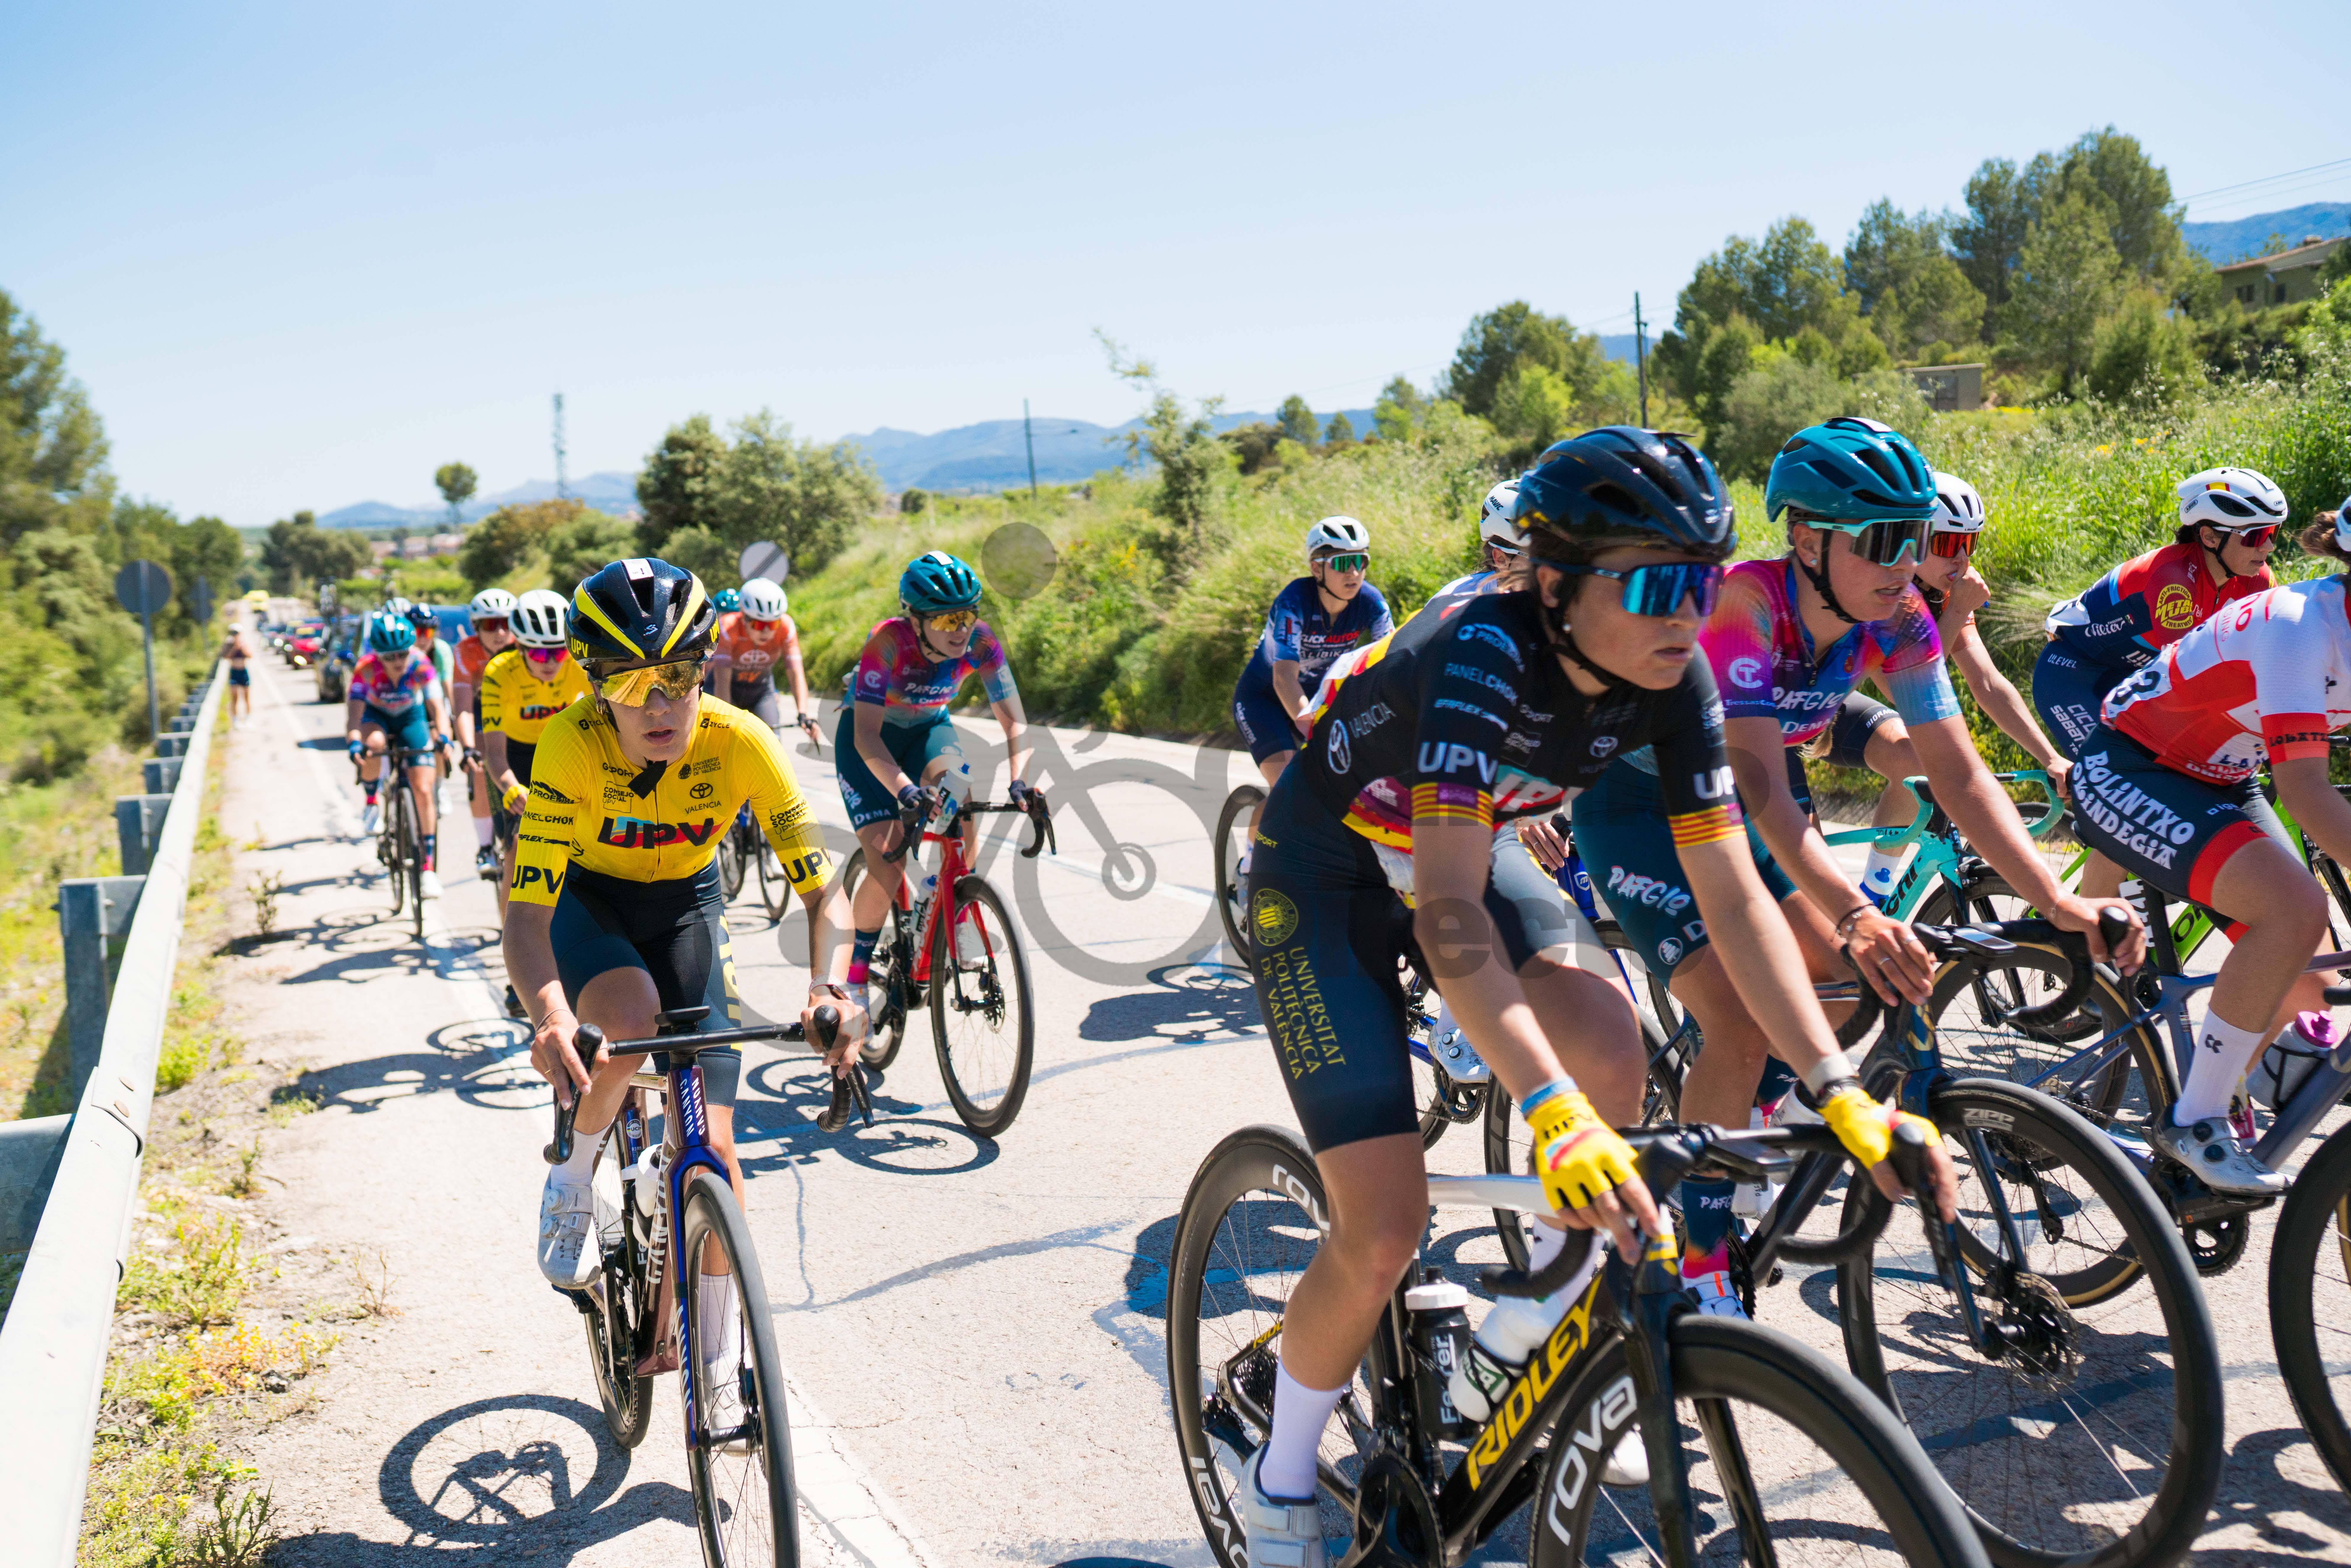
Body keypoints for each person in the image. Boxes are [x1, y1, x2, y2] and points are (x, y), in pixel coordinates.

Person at [1234, 426, 1961, 1563]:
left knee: (1612, 1050)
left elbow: (1734, 901)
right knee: (1382, 1226)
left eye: (1705, 580)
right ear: (1557, 584)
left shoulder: (1677, 681)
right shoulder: (1479, 652)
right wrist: (1547, 1113)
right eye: (1659, 583)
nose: (1689, 612)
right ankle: (1277, 1476)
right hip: (1325, 867)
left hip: (1464, 855)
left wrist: (1834, 1088)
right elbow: (1448, 914)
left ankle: (1538, 1314)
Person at [1575, 416, 2141, 1319]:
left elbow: (1956, 773)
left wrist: (2059, 899)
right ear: (1806, 537)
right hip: (1640, 809)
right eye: (1883, 539)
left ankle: (1739, 1110)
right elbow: (1762, 797)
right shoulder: (1742, 608)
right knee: (1738, 1013)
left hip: (1745, 797)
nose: (1903, 560)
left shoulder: (1902, 616)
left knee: (1847, 990)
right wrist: (1850, 910)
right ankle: (1701, 1246)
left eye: (1913, 538)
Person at [511, 559, 868, 1418]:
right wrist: (554, 1016)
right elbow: (526, 919)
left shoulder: (739, 741)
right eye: (634, 681)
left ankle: (715, 1359)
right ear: (597, 687)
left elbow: (827, 894)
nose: (661, 704)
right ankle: (573, 1176)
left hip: (686, 906)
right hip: (589, 903)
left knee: (713, 1138)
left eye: (678, 675)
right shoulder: (570, 744)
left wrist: (829, 986)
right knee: (627, 1018)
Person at [2064, 498, 2351, 1196]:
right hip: (2130, 762)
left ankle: (2223, 1099)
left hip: (2222, 773)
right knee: (2294, 910)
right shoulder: (2302, 627)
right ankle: (2194, 1120)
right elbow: (2309, 792)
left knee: (2306, 974)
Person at [2034, 467, 2284, 902]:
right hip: (2076, 678)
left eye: (2273, 533)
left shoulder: (2257, 581)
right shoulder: (2172, 586)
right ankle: (2091, 943)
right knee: (2129, 798)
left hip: (2132, 679)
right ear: (2209, 537)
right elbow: (2186, 690)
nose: (2268, 547)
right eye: (2254, 536)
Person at [1834, 470, 2078, 903]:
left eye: (1971, 544)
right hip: (1802, 702)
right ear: (1915, 539)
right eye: (1949, 545)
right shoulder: (1885, 583)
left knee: (1915, 757)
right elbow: (1904, 688)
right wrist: (1955, 614)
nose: (1962, 559)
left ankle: (1875, 890)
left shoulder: (1947, 590)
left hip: (1835, 700)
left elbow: (1987, 681)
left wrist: (2050, 757)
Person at [836, 552, 1035, 1012]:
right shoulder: (888, 642)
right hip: (871, 743)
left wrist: (1019, 782)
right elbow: (866, 736)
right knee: (887, 860)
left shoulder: (982, 644)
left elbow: (1016, 723)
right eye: (946, 618)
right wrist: (904, 790)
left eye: (967, 614)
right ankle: (856, 977)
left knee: (961, 797)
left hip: (927, 730)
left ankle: (955, 907)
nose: (960, 629)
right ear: (917, 618)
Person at [1227, 517, 1393, 898]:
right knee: (1287, 783)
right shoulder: (1293, 602)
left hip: (1320, 696)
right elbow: (1284, 678)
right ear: (1316, 568)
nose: (1353, 572)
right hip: (1265, 699)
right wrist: (1313, 727)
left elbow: (1391, 663)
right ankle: (1250, 864)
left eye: (1360, 561)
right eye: (1340, 563)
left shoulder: (1370, 602)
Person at [480, 589, 590, 937]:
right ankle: (514, 955)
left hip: (560, 752)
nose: (550, 661)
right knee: (515, 856)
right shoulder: (499, 672)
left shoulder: (577, 666)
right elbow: (494, 755)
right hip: (514, 759)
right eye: (539, 652)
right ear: (521, 648)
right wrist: (512, 790)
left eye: (558, 651)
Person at [344, 611, 452, 898]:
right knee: (375, 744)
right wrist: (355, 742)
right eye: (389, 657)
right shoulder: (365, 668)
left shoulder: (420, 663)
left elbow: (437, 707)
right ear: (377, 655)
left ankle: (428, 868)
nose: (397, 662)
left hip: (410, 717)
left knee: (423, 789)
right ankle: (371, 802)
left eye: (402, 654)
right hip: (376, 715)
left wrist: (444, 737)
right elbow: (354, 717)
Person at [706, 576, 818, 747]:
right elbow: (722, 681)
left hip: (761, 691)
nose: (766, 631)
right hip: (727, 689)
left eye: (773, 625)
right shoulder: (728, 627)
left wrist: (803, 714)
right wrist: (726, 720)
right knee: (723, 745)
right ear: (744, 618)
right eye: (759, 625)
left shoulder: (786, 627)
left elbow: (796, 673)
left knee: (772, 746)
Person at [454, 588, 519, 879]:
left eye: (507, 623)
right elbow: (464, 708)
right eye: (492, 625)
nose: (501, 632)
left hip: (519, 713)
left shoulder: (525, 646)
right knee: (480, 767)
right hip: (481, 714)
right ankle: (484, 846)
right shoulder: (466, 653)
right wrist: (467, 748)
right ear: (476, 627)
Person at [222, 621, 255, 726]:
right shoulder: (228, 645)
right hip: (234, 671)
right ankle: (235, 719)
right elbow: (226, 657)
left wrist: (241, 647)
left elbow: (250, 656)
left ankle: (248, 718)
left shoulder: (244, 644)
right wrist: (234, 648)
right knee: (235, 697)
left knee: (247, 697)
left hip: (243, 671)